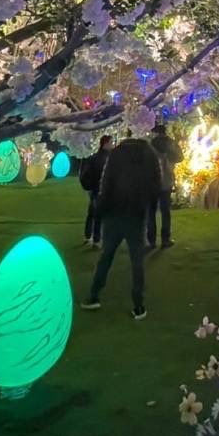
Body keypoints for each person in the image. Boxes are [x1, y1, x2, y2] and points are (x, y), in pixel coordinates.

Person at [81, 137, 161, 319]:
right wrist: (149, 207)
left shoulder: (116, 154)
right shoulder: (149, 154)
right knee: (137, 261)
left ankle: (94, 296)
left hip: (114, 213)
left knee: (106, 256)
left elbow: (107, 182)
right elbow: (155, 184)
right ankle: (139, 305)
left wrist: (101, 209)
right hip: (137, 215)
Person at [149, 122, 183, 249]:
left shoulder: (150, 144)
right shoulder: (170, 143)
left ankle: (151, 240)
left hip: (152, 181)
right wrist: (170, 159)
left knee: (151, 212)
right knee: (165, 211)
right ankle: (165, 239)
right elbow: (180, 157)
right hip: (166, 180)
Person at [79, 134, 113, 247]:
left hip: (94, 189)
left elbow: (86, 173)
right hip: (101, 189)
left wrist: (89, 186)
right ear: (106, 144)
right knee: (99, 215)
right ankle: (96, 239)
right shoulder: (107, 158)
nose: (112, 145)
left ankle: (88, 235)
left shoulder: (95, 157)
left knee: (92, 213)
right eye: (111, 143)